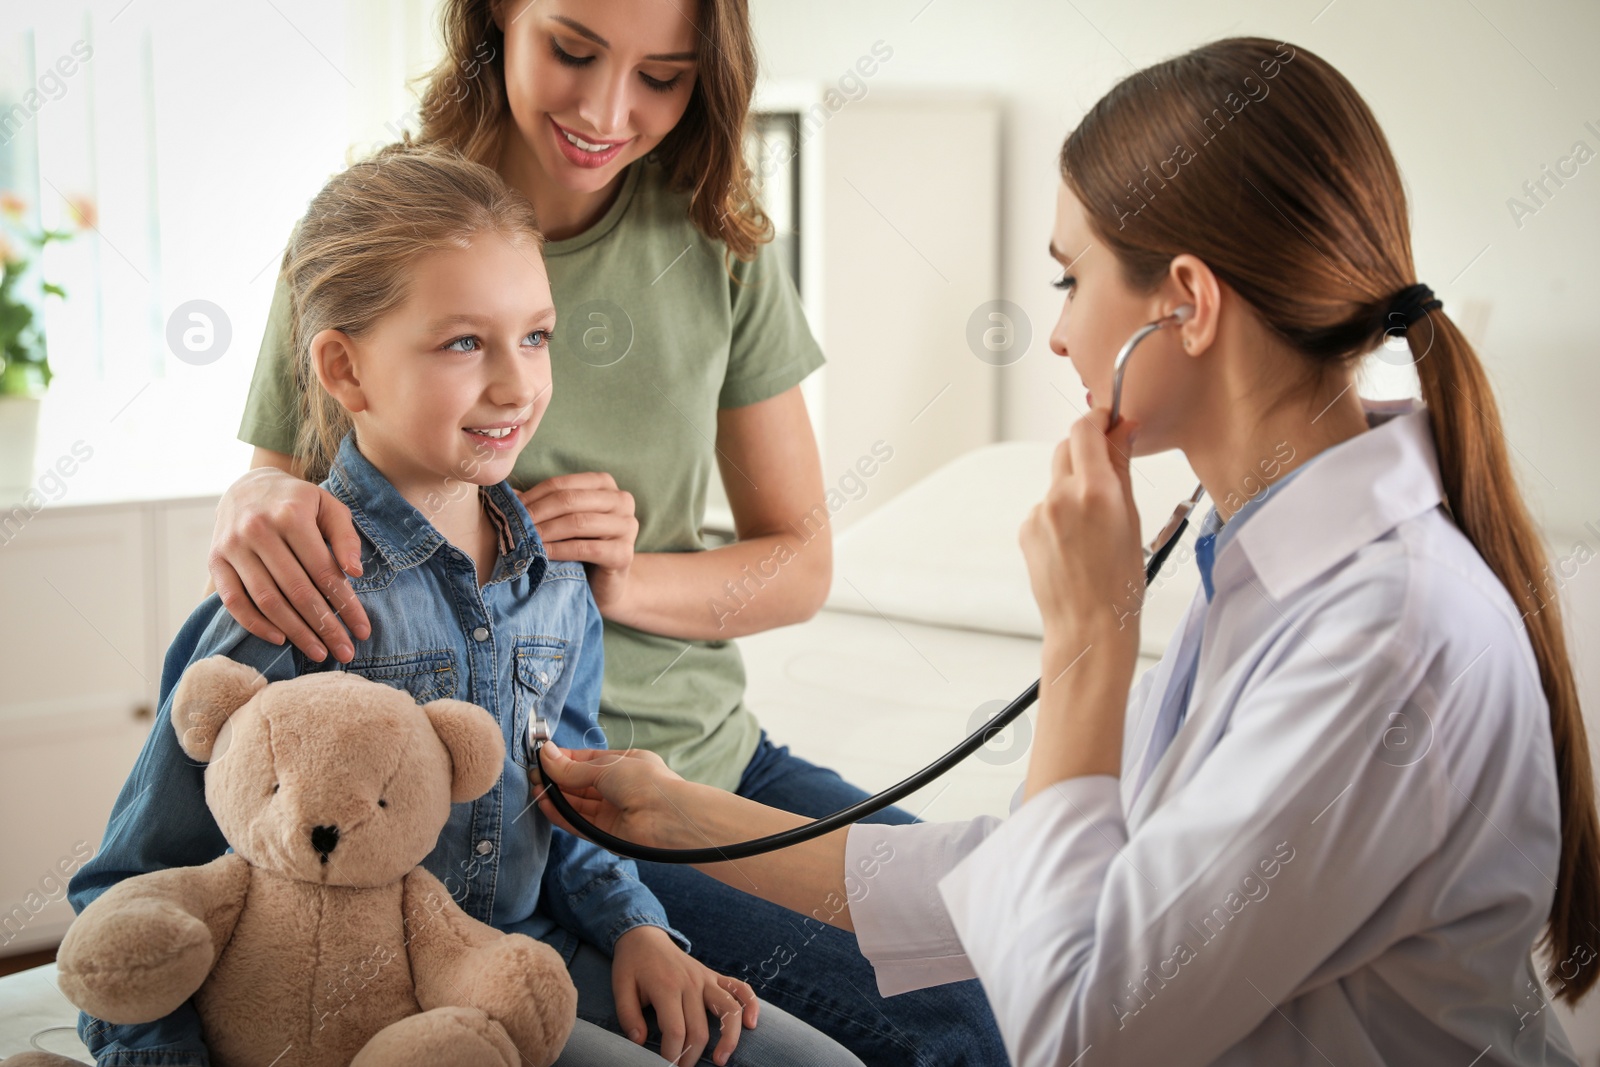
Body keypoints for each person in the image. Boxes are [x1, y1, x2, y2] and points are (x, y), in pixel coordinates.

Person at [529, 37, 1600, 1066]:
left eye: (1067, 281)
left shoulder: (1384, 636)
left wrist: (1087, 637)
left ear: (1185, 301)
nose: (1053, 335)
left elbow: (1084, 1033)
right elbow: (1049, 874)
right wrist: (677, 808)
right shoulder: (1268, 554)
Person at [202, 3, 1006, 1062]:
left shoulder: (717, 231)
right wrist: (247, 502)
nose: (607, 111)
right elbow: (283, 502)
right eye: (573, 51)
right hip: (531, 812)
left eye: (664, 77)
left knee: (996, 942)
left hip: (708, 763)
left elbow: (799, 562)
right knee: (943, 1019)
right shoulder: (377, 226)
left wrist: (622, 584)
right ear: (498, 17)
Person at [67, 141, 863, 1067]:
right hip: (352, 1002)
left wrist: (640, 930)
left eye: (535, 335)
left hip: (518, 956)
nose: (518, 384)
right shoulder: (298, 596)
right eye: (462, 343)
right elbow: (130, 884)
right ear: (346, 369)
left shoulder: (558, 581)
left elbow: (573, 805)